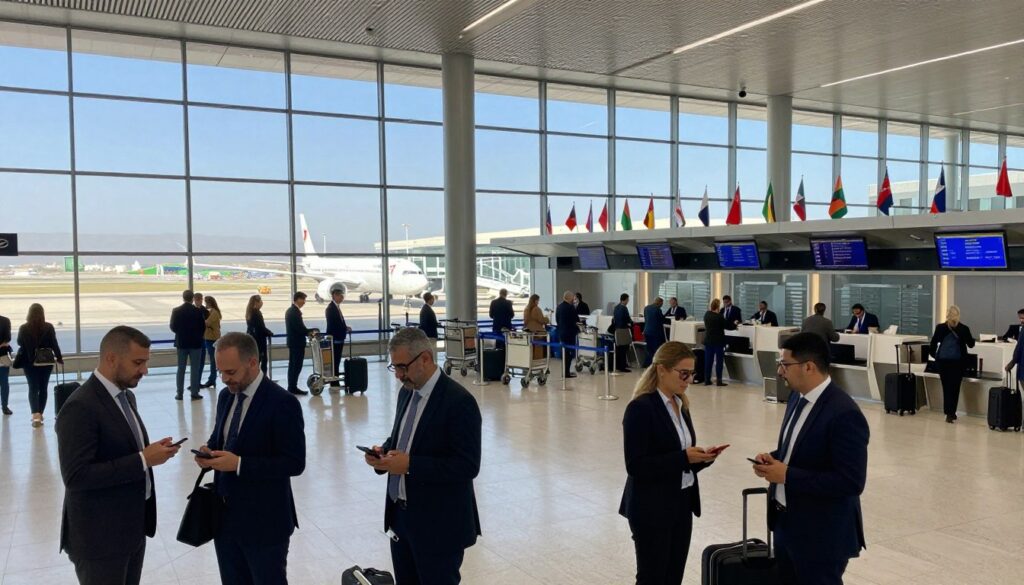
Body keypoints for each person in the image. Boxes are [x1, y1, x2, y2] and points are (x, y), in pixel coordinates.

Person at [56, 326, 181, 585]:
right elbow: (77, 476)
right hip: (99, 539)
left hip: (130, 529)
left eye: (146, 362)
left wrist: (152, 452)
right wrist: (144, 459)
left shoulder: (126, 397)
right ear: (111, 358)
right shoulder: (81, 406)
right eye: (138, 362)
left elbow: (124, 448)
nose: (144, 370)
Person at [364, 327, 482, 585]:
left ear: (426, 359)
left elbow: (467, 465)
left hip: (439, 525)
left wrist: (410, 465)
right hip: (402, 518)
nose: (398, 375)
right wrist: (382, 455)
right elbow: (401, 439)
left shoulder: (459, 402)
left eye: (402, 367)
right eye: (394, 367)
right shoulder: (407, 392)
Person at [752, 332, 869, 585]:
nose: (780, 371)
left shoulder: (844, 413)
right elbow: (796, 448)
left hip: (821, 534)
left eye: (785, 364)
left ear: (808, 367)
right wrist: (773, 459)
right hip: (786, 522)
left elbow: (850, 482)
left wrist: (787, 475)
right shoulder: (796, 397)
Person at [195, 332, 306, 585]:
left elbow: (294, 462)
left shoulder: (282, 403)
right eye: (220, 371)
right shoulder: (226, 397)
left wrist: (239, 464)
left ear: (253, 363)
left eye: (231, 372)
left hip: (265, 522)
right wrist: (208, 452)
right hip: (225, 520)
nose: (224, 379)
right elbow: (219, 439)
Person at [620, 342, 724, 585]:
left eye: (692, 374)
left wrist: (702, 459)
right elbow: (636, 466)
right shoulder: (640, 409)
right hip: (651, 507)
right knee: (653, 577)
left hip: (681, 502)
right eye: (683, 373)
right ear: (662, 370)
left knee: (673, 575)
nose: (688, 380)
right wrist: (684, 457)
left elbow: (680, 459)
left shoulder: (681, 405)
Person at [18, 303, 63, 427]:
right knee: (43, 388)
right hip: (46, 362)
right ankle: (41, 413)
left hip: (29, 362)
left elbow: (19, 342)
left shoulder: (23, 328)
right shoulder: (48, 327)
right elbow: (54, 343)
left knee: (32, 388)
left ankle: (35, 415)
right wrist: (59, 357)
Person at [930, 306, 975, 424]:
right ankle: (952, 412)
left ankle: (948, 413)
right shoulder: (964, 329)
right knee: (955, 388)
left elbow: (933, 345)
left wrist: (937, 358)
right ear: (958, 315)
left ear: (947, 315)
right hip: (958, 364)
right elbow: (971, 345)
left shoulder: (940, 328)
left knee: (946, 388)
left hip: (943, 363)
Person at [169, 290, 205, 401]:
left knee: (181, 368)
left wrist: (181, 333)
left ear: (183, 298)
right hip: (195, 343)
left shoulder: (176, 311)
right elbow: (202, 327)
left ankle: (179, 393)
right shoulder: (198, 311)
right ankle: (194, 393)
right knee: (195, 369)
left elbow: (173, 327)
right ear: (192, 298)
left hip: (182, 343)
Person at [285, 291, 312, 396]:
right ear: (297, 299)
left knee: (293, 365)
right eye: (303, 299)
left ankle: (292, 386)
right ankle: (292, 387)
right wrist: (310, 332)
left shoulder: (292, 311)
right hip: (296, 343)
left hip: (294, 343)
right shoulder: (294, 312)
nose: (304, 302)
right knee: (295, 366)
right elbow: (299, 328)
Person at [325, 287, 352, 388]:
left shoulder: (336, 307)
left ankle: (335, 379)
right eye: (340, 296)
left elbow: (340, 322)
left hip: (339, 338)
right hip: (335, 339)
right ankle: (334, 381)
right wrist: (344, 328)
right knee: (335, 360)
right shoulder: (331, 309)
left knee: (337, 360)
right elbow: (334, 324)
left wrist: (345, 327)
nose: (342, 298)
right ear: (335, 296)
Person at [245, 295, 274, 375]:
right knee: (262, 360)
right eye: (260, 301)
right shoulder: (256, 313)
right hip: (259, 340)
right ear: (256, 302)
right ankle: (262, 379)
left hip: (252, 339)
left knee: (255, 360)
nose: (262, 303)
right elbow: (260, 327)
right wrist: (269, 333)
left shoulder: (249, 312)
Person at [702, 299, 727, 387]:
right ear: (718, 306)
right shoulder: (719, 317)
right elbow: (727, 325)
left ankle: (707, 380)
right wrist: (735, 324)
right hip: (718, 341)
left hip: (708, 341)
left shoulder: (707, 314)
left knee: (708, 361)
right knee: (719, 361)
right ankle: (719, 380)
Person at [556, 290, 580, 378]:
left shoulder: (559, 307)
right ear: (570, 298)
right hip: (570, 333)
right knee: (569, 354)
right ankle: (567, 373)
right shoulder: (571, 307)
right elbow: (576, 320)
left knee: (564, 353)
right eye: (573, 297)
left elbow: (557, 319)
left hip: (561, 333)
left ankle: (565, 371)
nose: (574, 299)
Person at [201, 295, 222, 389]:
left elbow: (207, 323)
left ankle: (212, 379)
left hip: (212, 338)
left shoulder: (214, 313)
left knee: (213, 360)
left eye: (206, 303)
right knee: (212, 359)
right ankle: (212, 379)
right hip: (210, 337)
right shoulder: (213, 312)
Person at [642, 297, 667, 368]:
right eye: (661, 304)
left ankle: (647, 364)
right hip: (655, 332)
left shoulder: (646, 308)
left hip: (647, 331)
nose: (661, 305)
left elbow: (646, 318)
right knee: (656, 349)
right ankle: (653, 365)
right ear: (659, 303)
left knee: (649, 349)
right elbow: (662, 320)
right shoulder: (657, 309)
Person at [613, 293, 634, 373]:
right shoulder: (624, 308)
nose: (628, 301)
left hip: (617, 330)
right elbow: (627, 319)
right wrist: (631, 323)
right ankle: (623, 366)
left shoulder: (616, 307)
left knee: (619, 349)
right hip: (624, 330)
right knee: (624, 348)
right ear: (625, 299)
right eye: (628, 300)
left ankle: (619, 365)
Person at [193, 292, 210, 388]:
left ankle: (197, 382)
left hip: (202, 338)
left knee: (201, 361)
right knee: (196, 363)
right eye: (198, 299)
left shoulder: (204, 310)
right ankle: (195, 382)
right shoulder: (192, 310)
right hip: (195, 340)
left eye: (200, 299)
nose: (200, 301)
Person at [0, 312, 12, 416]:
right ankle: (4, 407)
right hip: (2, 356)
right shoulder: (5, 321)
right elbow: (8, 339)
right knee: (4, 383)